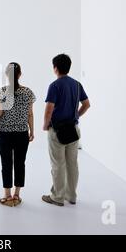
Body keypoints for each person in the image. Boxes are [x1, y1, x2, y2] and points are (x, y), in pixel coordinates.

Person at [0, 63, 35, 207]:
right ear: (20, 74)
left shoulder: (2, 92)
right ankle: (17, 195)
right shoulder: (28, 92)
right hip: (22, 133)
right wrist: (32, 131)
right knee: (20, 163)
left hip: (5, 134)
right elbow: (30, 114)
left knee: (6, 163)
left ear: (6, 75)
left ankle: (7, 196)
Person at [41, 54, 90, 207]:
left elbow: (49, 109)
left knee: (58, 164)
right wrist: (76, 115)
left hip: (57, 130)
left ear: (55, 68)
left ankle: (57, 197)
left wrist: (45, 125)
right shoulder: (77, 84)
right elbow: (87, 104)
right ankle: (71, 196)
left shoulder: (55, 85)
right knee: (72, 163)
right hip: (73, 129)